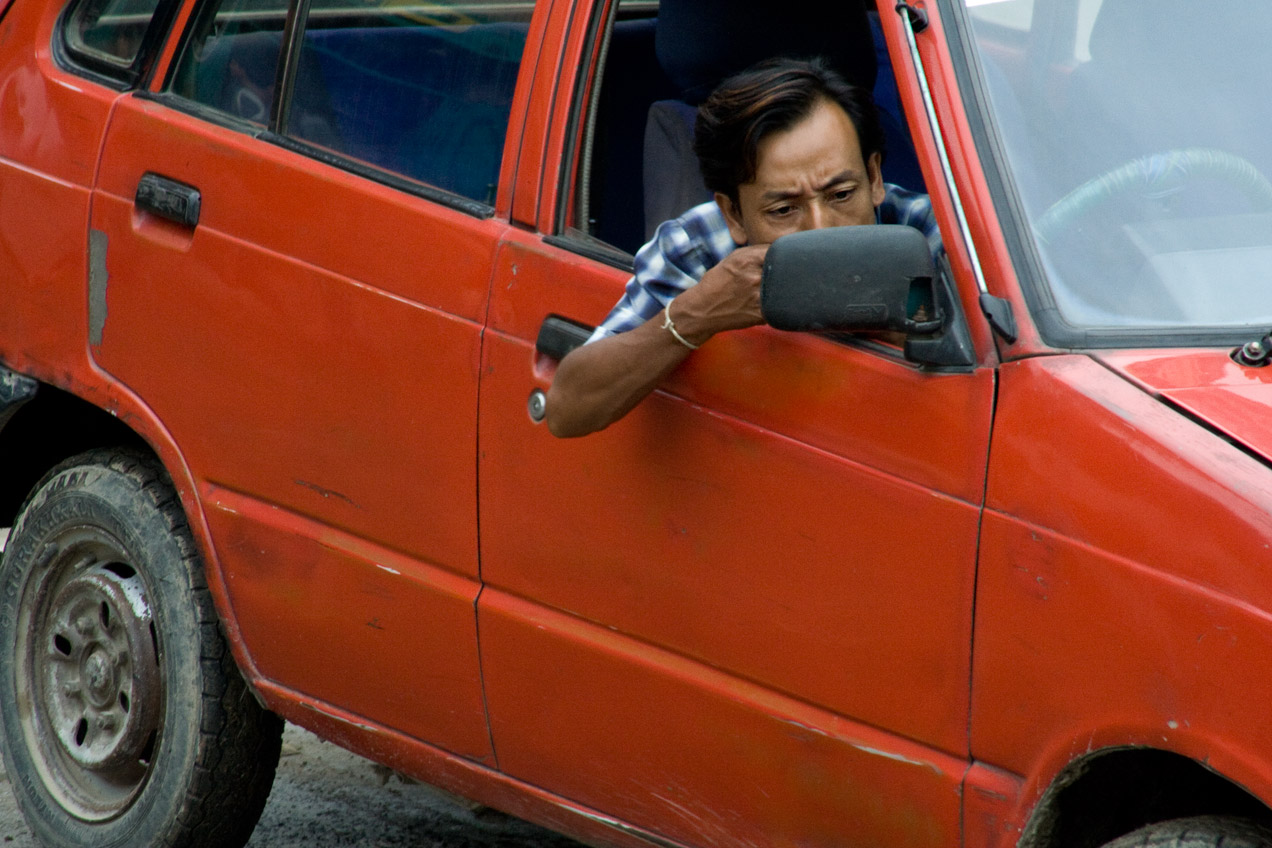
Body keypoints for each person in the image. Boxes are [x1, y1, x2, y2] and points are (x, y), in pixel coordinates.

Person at [545, 57, 940, 438]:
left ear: (874, 178)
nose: (821, 229)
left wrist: (908, 330)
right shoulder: (698, 248)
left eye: (841, 194)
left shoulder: (930, 234)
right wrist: (697, 313)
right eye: (784, 210)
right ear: (732, 214)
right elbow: (567, 410)